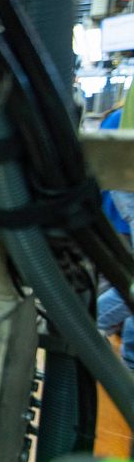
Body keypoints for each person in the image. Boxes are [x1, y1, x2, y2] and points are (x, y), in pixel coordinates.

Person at [97, 100, 134, 367]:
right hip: (117, 218)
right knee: (115, 280)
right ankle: (88, 329)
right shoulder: (120, 120)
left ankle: (131, 359)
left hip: (117, 214)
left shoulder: (119, 118)